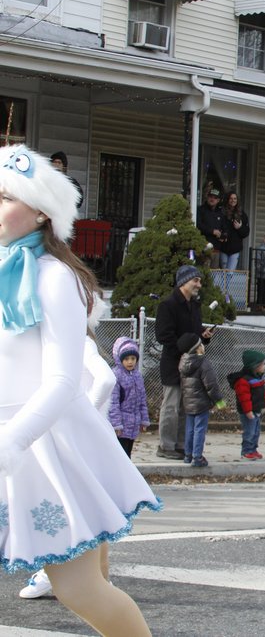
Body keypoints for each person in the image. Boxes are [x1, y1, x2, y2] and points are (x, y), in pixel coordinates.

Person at [0, 144, 159, 634]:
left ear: (42, 212)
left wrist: (11, 440)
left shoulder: (54, 276)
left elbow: (64, 379)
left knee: (79, 589)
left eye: (5, 196)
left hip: (39, 443)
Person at [19, 292, 116, 601]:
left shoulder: (79, 344)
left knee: (64, 506)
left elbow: (105, 380)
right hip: (80, 439)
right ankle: (100, 580)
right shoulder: (74, 344)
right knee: (87, 510)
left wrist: (79, 414)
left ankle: (55, 574)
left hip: (75, 440)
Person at [155, 264, 215, 460]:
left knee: (185, 406)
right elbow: (163, 335)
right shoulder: (168, 305)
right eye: (195, 280)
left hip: (191, 366)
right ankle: (166, 445)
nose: (199, 284)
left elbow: (193, 333)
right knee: (171, 406)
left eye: (199, 280)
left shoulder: (194, 306)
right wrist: (182, 349)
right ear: (183, 282)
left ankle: (181, 445)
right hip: (173, 363)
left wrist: (203, 336)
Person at [177, 332, 226, 467]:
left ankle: (188, 455)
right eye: (201, 344)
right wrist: (218, 401)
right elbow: (211, 384)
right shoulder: (203, 362)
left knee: (190, 429)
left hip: (188, 402)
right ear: (197, 348)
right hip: (201, 404)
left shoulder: (183, 362)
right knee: (199, 430)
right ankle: (197, 457)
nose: (203, 346)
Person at [108, 336, 150, 458]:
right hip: (121, 424)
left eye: (133, 358)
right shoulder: (116, 375)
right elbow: (113, 402)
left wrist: (144, 420)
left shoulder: (137, 376)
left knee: (128, 453)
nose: (130, 362)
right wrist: (116, 424)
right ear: (120, 359)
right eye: (126, 359)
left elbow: (142, 400)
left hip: (133, 423)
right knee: (121, 454)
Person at [228, 350, 265, 460]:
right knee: (249, 432)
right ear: (255, 366)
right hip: (248, 412)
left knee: (256, 432)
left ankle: (253, 449)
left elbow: (263, 391)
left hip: (256, 410)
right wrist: (248, 411)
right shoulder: (243, 381)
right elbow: (244, 398)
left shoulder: (257, 378)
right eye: (263, 364)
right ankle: (246, 451)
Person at [218, 191, 250, 271]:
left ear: (237, 200)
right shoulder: (222, 212)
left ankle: (228, 284)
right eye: (231, 198)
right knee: (223, 273)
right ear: (227, 200)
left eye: (235, 198)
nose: (233, 200)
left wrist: (240, 227)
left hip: (235, 249)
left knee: (230, 273)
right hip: (223, 247)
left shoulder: (242, 214)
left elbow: (246, 232)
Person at [196, 187, 226, 268]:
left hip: (216, 250)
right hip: (203, 248)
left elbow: (224, 228)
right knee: (203, 273)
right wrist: (212, 231)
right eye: (210, 197)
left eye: (215, 198)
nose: (212, 199)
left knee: (214, 275)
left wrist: (223, 236)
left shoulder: (220, 213)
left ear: (218, 200)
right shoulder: (200, 210)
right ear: (207, 197)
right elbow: (198, 225)